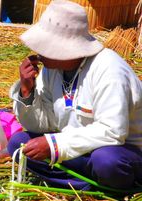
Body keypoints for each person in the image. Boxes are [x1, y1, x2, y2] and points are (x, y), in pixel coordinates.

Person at [8, 0, 142, 190]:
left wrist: (55, 145)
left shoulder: (109, 70)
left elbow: (113, 132)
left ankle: (102, 184)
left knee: (106, 162)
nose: (37, 52)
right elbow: (46, 123)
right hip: (78, 149)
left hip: (123, 152)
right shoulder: (51, 70)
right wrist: (27, 91)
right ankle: (87, 184)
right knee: (19, 144)